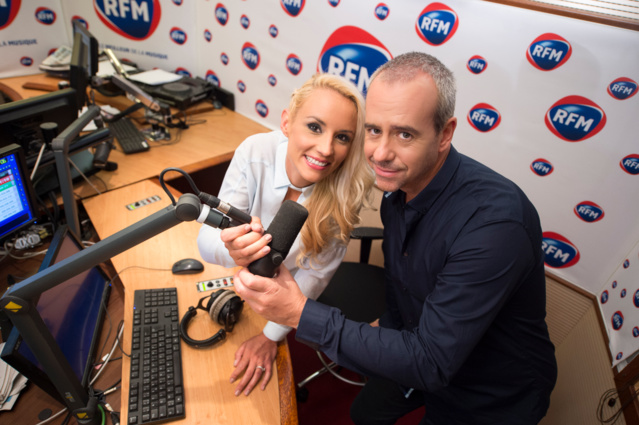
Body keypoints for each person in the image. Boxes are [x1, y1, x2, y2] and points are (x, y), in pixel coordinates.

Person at [232, 52, 558, 424]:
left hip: (490, 391)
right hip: (419, 343)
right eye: (373, 130)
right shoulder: (398, 191)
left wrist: (298, 312)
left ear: (445, 134)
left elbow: (432, 363)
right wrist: (384, 327)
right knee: (365, 414)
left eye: (404, 134)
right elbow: (408, 288)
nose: (380, 154)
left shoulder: (495, 225)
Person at [197, 73, 374, 397]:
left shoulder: (345, 194)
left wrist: (270, 336)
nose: (326, 149)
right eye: (315, 127)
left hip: (286, 295)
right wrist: (232, 250)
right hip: (235, 278)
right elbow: (206, 241)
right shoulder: (255, 152)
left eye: (342, 137)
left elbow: (315, 276)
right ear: (287, 123)